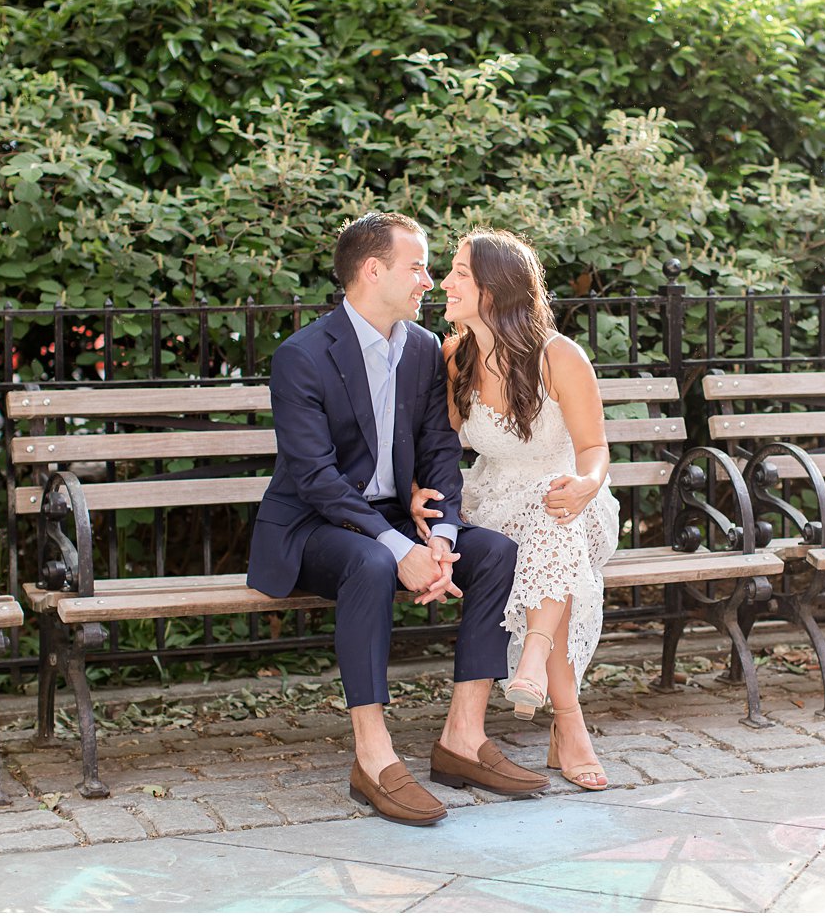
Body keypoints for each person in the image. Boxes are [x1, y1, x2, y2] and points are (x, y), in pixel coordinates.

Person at [246, 212, 548, 828]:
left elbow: (439, 450)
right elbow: (314, 477)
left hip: (394, 521)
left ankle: (462, 738)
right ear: (372, 270)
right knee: (371, 559)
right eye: (417, 267)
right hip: (312, 526)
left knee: (493, 553)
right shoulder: (302, 355)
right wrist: (394, 542)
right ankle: (372, 754)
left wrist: (439, 535)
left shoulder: (421, 350)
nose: (428, 281)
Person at [413, 229, 618, 791]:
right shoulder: (456, 355)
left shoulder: (559, 356)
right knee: (533, 535)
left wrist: (585, 485)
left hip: (572, 496)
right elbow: (441, 445)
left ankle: (536, 663)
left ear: (496, 288)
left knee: (552, 514)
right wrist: (415, 487)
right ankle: (566, 722)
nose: (445, 282)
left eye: (459, 272)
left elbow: (595, 450)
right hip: (493, 495)